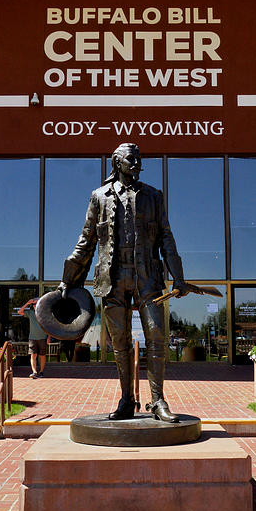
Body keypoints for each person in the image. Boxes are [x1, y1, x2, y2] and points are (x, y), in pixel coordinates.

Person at [58, 143, 191, 422]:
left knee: (156, 337)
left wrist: (178, 276)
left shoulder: (154, 196)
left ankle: (157, 401)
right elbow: (86, 240)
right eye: (131, 159)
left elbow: (166, 237)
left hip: (148, 279)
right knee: (119, 343)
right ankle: (127, 400)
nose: (137, 163)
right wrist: (67, 280)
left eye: (140, 158)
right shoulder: (99, 196)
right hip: (113, 279)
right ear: (117, 163)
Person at [19, 298, 47, 378]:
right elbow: (19, 312)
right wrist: (27, 303)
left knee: (42, 355)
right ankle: (34, 372)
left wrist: (49, 337)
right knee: (33, 355)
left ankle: (41, 372)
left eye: (37, 303)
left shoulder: (44, 313)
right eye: (34, 304)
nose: (35, 305)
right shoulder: (30, 313)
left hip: (43, 337)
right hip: (32, 337)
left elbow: (49, 326)